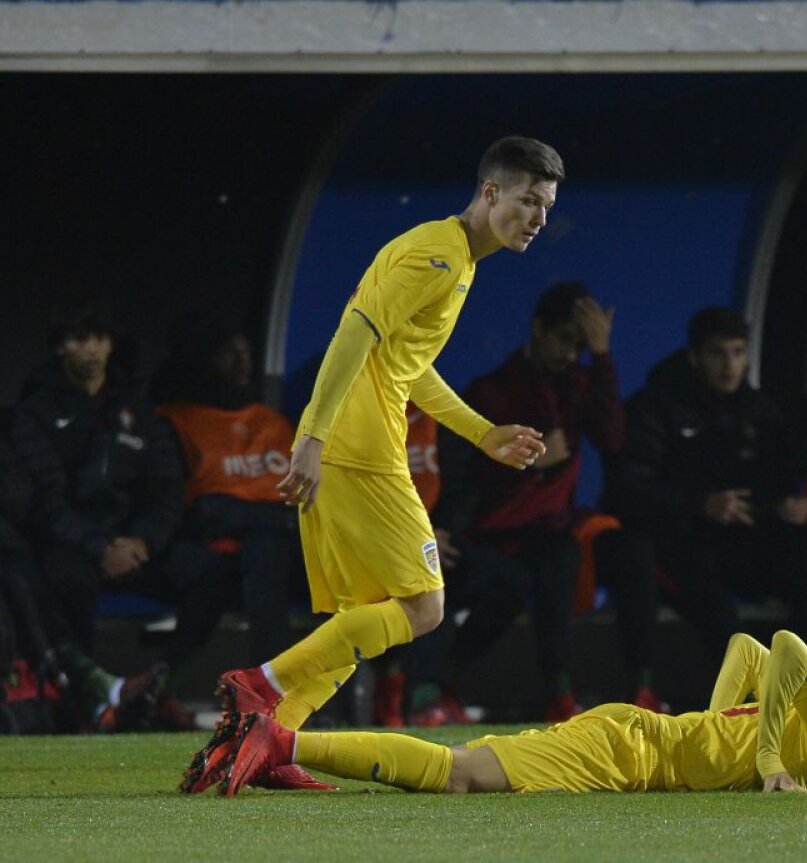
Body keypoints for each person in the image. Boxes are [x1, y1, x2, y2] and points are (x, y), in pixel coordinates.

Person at [196, 136, 561, 787]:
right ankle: (260, 684)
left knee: (359, 621)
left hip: (351, 440)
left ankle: (268, 744)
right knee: (425, 607)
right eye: (529, 201)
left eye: (547, 207)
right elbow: (354, 331)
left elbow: (406, 363)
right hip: (359, 446)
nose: (538, 218)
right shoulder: (438, 258)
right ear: (490, 192)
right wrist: (312, 435)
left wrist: (480, 433)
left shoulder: (451, 256)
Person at [187, 629, 807, 796]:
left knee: (469, 773)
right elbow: (791, 647)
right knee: (463, 776)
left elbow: (747, 648)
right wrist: (764, 761)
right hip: (630, 752)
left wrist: (723, 720)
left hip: (642, 744)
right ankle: (278, 735)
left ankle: (282, 750)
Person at [418, 280, 659, 723]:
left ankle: (605, 692)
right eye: (565, 340)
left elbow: (612, 438)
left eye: (580, 346)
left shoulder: (582, 385)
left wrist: (603, 355)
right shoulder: (493, 389)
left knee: (610, 554)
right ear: (537, 329)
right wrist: (528, 458)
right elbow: (464, 473)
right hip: (492, 530)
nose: (571, 355)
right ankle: (436, 690)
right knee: (519, 577)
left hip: (552, 529)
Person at [606, 308, 807, 668]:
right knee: (715, 606)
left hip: (746, 538)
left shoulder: (760, 409)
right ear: (694, 357)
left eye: (738, 352)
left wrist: (796, 505)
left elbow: (786, 475)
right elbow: (629, 491)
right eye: (718, 353)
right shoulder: (655, 406)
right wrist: (699, 504)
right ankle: (747, 702)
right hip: (679, 542)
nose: (729, 365)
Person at [10, 299, 186, 653]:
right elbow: (43, 500)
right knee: (66, 579)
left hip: (133, 545)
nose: (91, 350)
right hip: (72, 546)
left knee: (207, 572)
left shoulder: (139, 412)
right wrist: (99, 548)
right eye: (78, 339)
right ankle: (82, 695)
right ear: (60, 347)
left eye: (100, 339)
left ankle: (162, 683)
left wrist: (142, 541)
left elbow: (166, 491)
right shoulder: (35, 415)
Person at [154, 313, 302, 669]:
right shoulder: (175, 421)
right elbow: (182, 508)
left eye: (245, 351)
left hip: (286, 550)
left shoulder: (272, 422)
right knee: (254, 557)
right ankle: (271, 689)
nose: (241, 362)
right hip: (215, 554)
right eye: (227, 353)